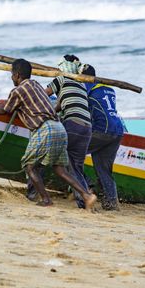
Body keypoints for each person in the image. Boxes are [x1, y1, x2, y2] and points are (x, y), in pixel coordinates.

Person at [0, 59, 97, 210]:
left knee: (29, 165)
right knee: (60, 169)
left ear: (17, 75)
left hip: (46, 129)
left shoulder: (18, 91)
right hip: (60, 127)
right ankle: (87, 195)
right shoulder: (37, 86)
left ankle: (46, 200)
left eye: (12, 75)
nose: (12, 78)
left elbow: (5, 110)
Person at [43, 54, 92, 208]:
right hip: (87, 128)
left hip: (72, 125)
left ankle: (84, 199)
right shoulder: (81, 84)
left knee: (65, 165)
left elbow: (43, 96)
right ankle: (87, 200)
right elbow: (59, 105)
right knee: (77, 166)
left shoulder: (61, 79)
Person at [82, 64, 124, 211]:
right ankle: (111, 203)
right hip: (118, 130)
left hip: (102, 130)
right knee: (103, 169)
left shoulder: (87, 87)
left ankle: (87, 187)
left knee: (71, 153)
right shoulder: (109, 88)